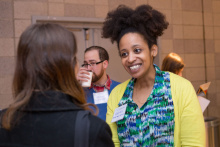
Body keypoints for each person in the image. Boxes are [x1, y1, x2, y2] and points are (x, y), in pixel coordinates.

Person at [102, 4, 205, 147]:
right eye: (124, 54)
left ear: (153, 50)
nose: (130, 58)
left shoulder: (181, 88)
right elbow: (113, 142)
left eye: (137, 50)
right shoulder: (117, 95)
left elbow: (194, 143)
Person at [0, 23, 114, 147]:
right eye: (83, 62)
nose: (87, 68)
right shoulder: (93, 129)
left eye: (92, 63)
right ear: (71, 67)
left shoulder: (4, 121)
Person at [77, 46, 120, 120]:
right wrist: (74, 84)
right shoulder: (79, 92)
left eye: (92, 63)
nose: (88, 68)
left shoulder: (120, 89)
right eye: (85, 64)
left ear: (105, 64)